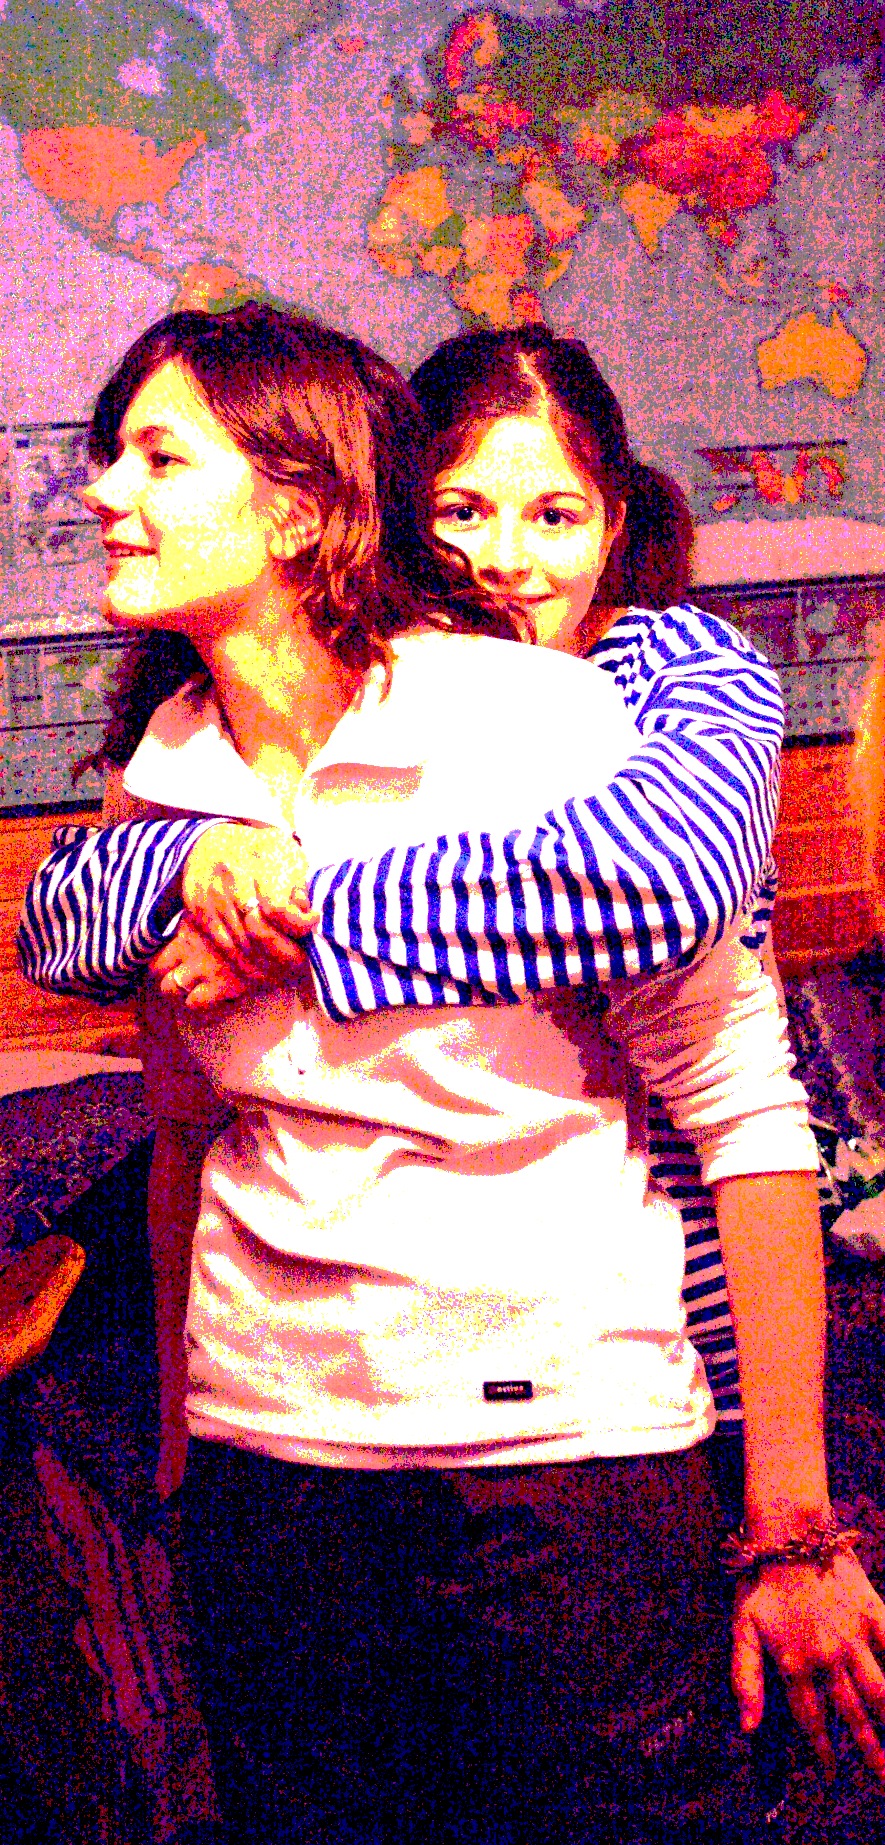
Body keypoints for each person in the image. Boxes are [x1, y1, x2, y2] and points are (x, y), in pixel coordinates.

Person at [18, 308, 885, 1842]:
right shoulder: (174, 755)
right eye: (462, 510)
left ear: (306, 504)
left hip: (570, 1447)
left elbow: (683, 933)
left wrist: (790, 1524)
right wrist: (180, 1445)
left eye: (158, 456)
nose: (503, 558)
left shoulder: (603, 709)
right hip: (273, 1462)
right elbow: (158, 1079)